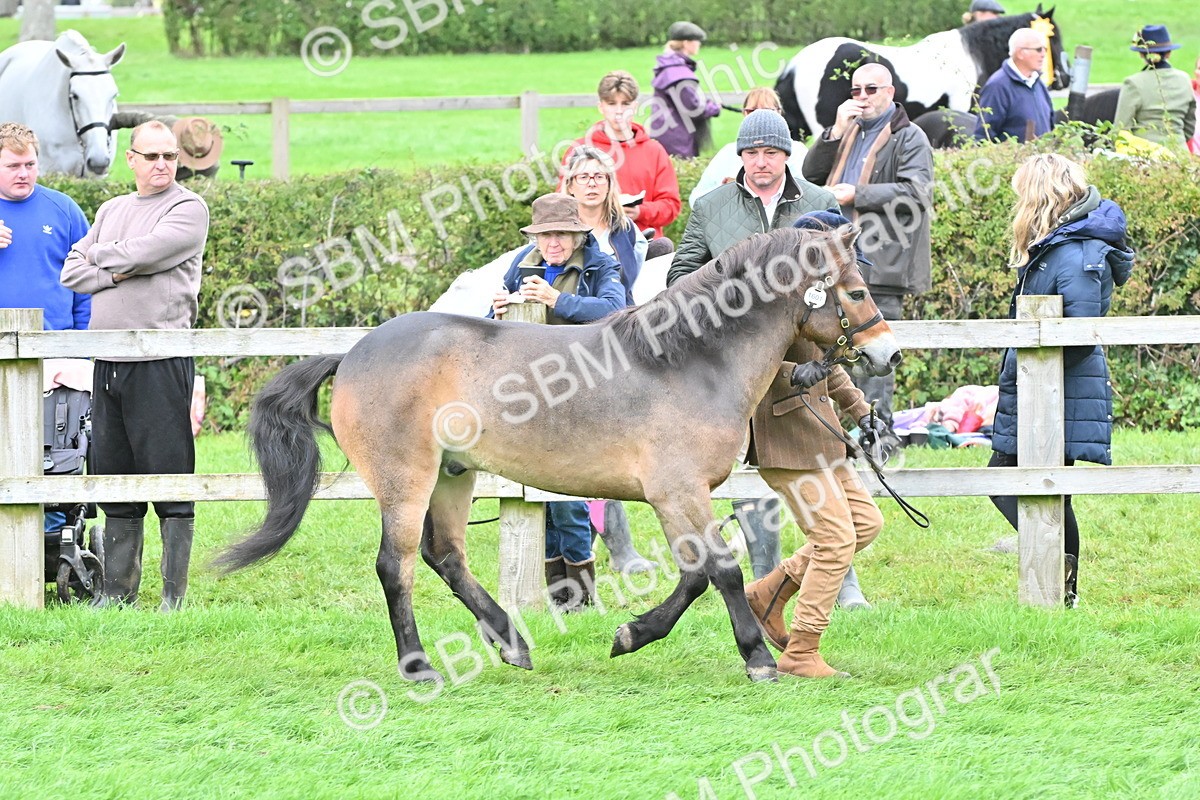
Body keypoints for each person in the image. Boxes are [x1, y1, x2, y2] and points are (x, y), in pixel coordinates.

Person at [665, 114, 876, 650]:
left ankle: (768, 594)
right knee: (829, 527)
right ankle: (794, 630)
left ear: (786, 156)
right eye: (751, 151)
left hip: (813, 372)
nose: (761, 160)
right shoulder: (711, 207)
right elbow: (679, 279)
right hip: (743, 377)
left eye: (771, 152)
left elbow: (853, 273)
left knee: (852, 525)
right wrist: (732, 307)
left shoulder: (817, 200)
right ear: (741, 157)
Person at [61, 120, 210, 611]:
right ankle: (117, 591)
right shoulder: (111, 209)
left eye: (170, 156)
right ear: (131, 159)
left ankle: (173, 595)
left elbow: (151, 250)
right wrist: (121, 266)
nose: (163, 164)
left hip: (159, 357)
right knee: (114, 471)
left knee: (168, 472)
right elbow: (71, 271)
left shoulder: (187, 208)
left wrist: (105, 260)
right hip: (108, 358)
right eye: (152, 156)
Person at [988, 154, 1133, 608]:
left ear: (1040, 194)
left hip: (1058, 391)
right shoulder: (1062, 244)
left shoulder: (1075, 251)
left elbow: (1079, 331)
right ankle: (1061, 583)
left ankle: (1059, 580)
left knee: (1020, 484)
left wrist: (1032, 353)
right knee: (1046, 489)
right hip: (1039, 388)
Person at [491, 193, 625, 607]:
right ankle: (559, 596)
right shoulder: (522, 263)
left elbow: (617, 310)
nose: (553, 243)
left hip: (583, 387)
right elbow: (492, 321)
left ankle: (580, 597)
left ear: (576, 235)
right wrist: (496, 311)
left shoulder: (601, 263)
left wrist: (556, 300)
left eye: (562, 235)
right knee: (537, 489)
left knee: (567, 496)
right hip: (530, 387)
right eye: (546, 235)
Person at [801, 63, 934, 457]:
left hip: (884, 262)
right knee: (835, 353)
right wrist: (833, 133)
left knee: (876, 360)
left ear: (890, 92)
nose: (861, 98)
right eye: (855, 90)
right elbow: (810, 176)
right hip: (841, 264)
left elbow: (917, 192)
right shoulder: (850, 131)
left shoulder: (910, 136)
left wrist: (856, 194)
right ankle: (843, 439)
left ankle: (880, 439)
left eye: (870, 89)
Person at [560, 147, 657, 574]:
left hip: (620, 337)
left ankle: (620, 546)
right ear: (570, 184)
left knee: (618, 438)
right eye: (584, 176)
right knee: (582, 441)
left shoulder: (625, 231)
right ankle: (608, 546)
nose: (593, 182)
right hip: (570, 340)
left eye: (600, 175)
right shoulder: (558, 228)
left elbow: (628, 286)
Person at [0, 122, 92, 535]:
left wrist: (82, 348)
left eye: (30, 164)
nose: (24, 173)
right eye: (13, 165)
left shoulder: (64, 210)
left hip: (56, 357)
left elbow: (88, 284)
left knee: (52, 450)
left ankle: (53, 536)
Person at [569, 70, 681, 240]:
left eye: (626, 104)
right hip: (590, 245)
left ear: (635, 106)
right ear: (601, 106)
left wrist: (640, 212)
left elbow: (671, 206)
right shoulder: (579, 149)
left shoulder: (654, 151)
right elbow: (563, 202)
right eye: (612, 103)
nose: (619, 111)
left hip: (643, 246)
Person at [689, 87, 808, 207]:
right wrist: (724, 191)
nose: (759, 118)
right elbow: (695, 199)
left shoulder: (797, 151)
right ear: (743, 113)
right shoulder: (728, 153)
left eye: (768, 111)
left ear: (779, 112)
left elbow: (809, 195)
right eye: (752, 111)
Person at [1113, 25, 1196, 150]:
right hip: (1180, 155)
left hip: (1145, 158)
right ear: (1169, 53)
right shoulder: (1184, 79)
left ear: (1141, 54)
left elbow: (1121, 128)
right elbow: (1189, 125)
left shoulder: (1133, 83)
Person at [649, 21, 721, 159]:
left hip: (668, 136)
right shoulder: (677, 72)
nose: (699, 44)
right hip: (677, 141)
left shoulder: (670, 67)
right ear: (686, 43)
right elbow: (693, 108)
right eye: (697, 41)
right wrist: (714, 108)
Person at [973, 28, 1054, 142]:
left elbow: (1051, 126)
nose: (1044, 54)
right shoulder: (997, 86)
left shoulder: (1038, 84)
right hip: (1014, 159)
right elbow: (983, 137)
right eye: (1038, 49)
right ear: (1020, 53)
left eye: (1045, 49)